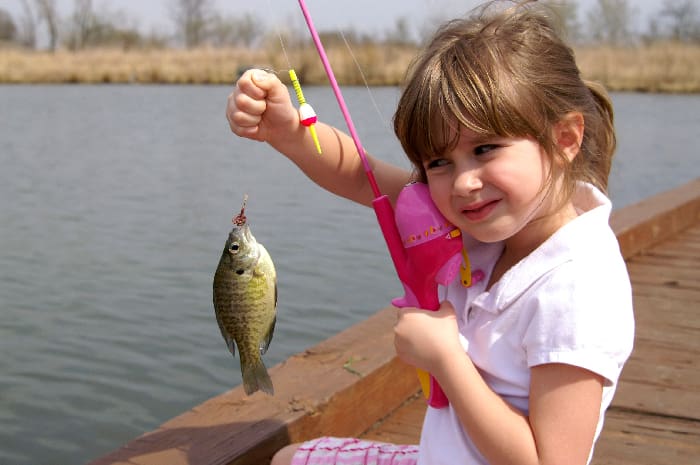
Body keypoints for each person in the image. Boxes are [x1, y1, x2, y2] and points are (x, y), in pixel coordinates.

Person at [225, 1, 635, 464]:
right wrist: (291, 134)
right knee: (290, 460)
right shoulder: (488, 220)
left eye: (485, 148)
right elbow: (366, 178)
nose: (463, 182)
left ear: (564, 139)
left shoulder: (579, 288)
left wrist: (446, 361)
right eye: (438, 162)